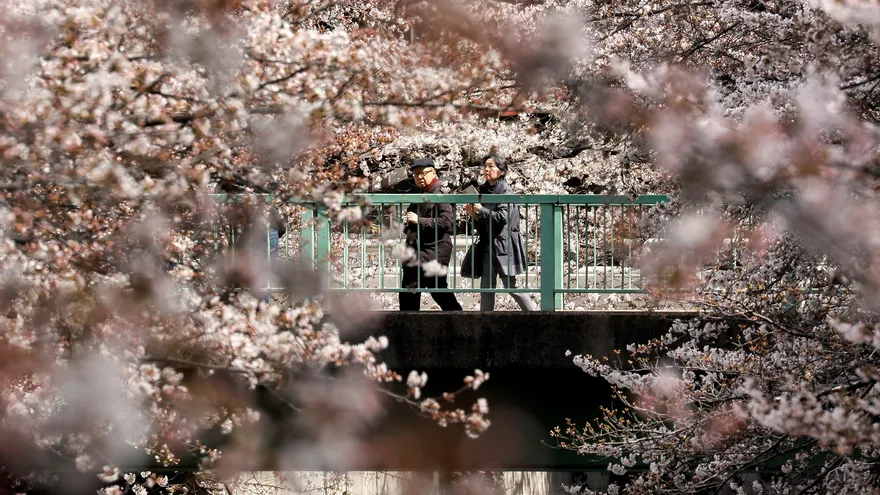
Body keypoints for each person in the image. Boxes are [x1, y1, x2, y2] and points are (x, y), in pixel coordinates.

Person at [465, 154, 538, 311]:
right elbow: (483, 221)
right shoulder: (483, 190)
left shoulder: (506, 192)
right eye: (485, 166)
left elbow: (502, 217)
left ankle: (534, 315)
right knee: (486, 287)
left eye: (491, 166)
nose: (486, 169)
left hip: (504, 245)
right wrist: (474, 214)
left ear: (502, 171)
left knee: (511, 285)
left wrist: (481, 210)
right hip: (487, 244)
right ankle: (485, 322)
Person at [399, 157, 463, 311]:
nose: (419, 177)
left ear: (433, 172)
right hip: (418, 250)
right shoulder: (420, 193)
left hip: (435, 249)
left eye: (422, 173)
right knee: (410, 290)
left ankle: (460, 320)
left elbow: (447, 222)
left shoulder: (439, 193)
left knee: (437, 290)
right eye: (415, 174)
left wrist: (418, 220)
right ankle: (408, 328)